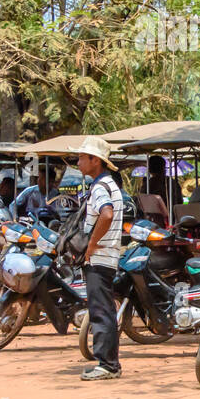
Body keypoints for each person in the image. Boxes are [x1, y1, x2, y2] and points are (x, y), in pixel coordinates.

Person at [76, 137, 125, 381]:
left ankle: (107, 364)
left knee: (101, 311)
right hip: (107, 256)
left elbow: (106, 214)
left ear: (96, 161)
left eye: (82, 158)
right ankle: (109, 363)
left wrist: (92, 244)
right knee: (104, 309)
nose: (78, 162)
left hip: (100, 257)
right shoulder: (109, 184)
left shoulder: (100, 187)